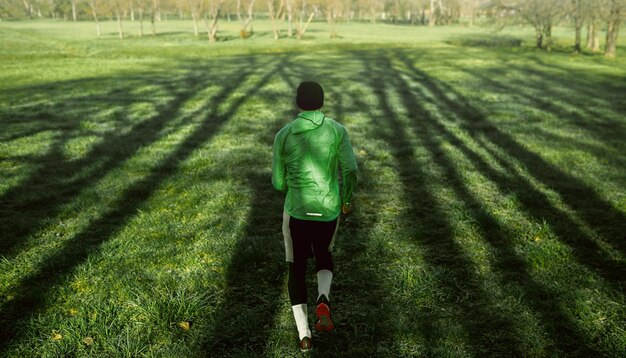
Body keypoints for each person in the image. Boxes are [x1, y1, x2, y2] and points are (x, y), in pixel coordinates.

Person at [271, 81, 358, 352]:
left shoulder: (284, 134)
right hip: (328, 210)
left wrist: (289, 187)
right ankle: (323, 296)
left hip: (297, 210)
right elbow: (351, 169)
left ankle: (304, 335)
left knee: (295, 267)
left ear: (298, 102)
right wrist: (346, 200)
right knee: (324, 252)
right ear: (322, 102)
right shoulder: (337, 130)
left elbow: (277, 182)